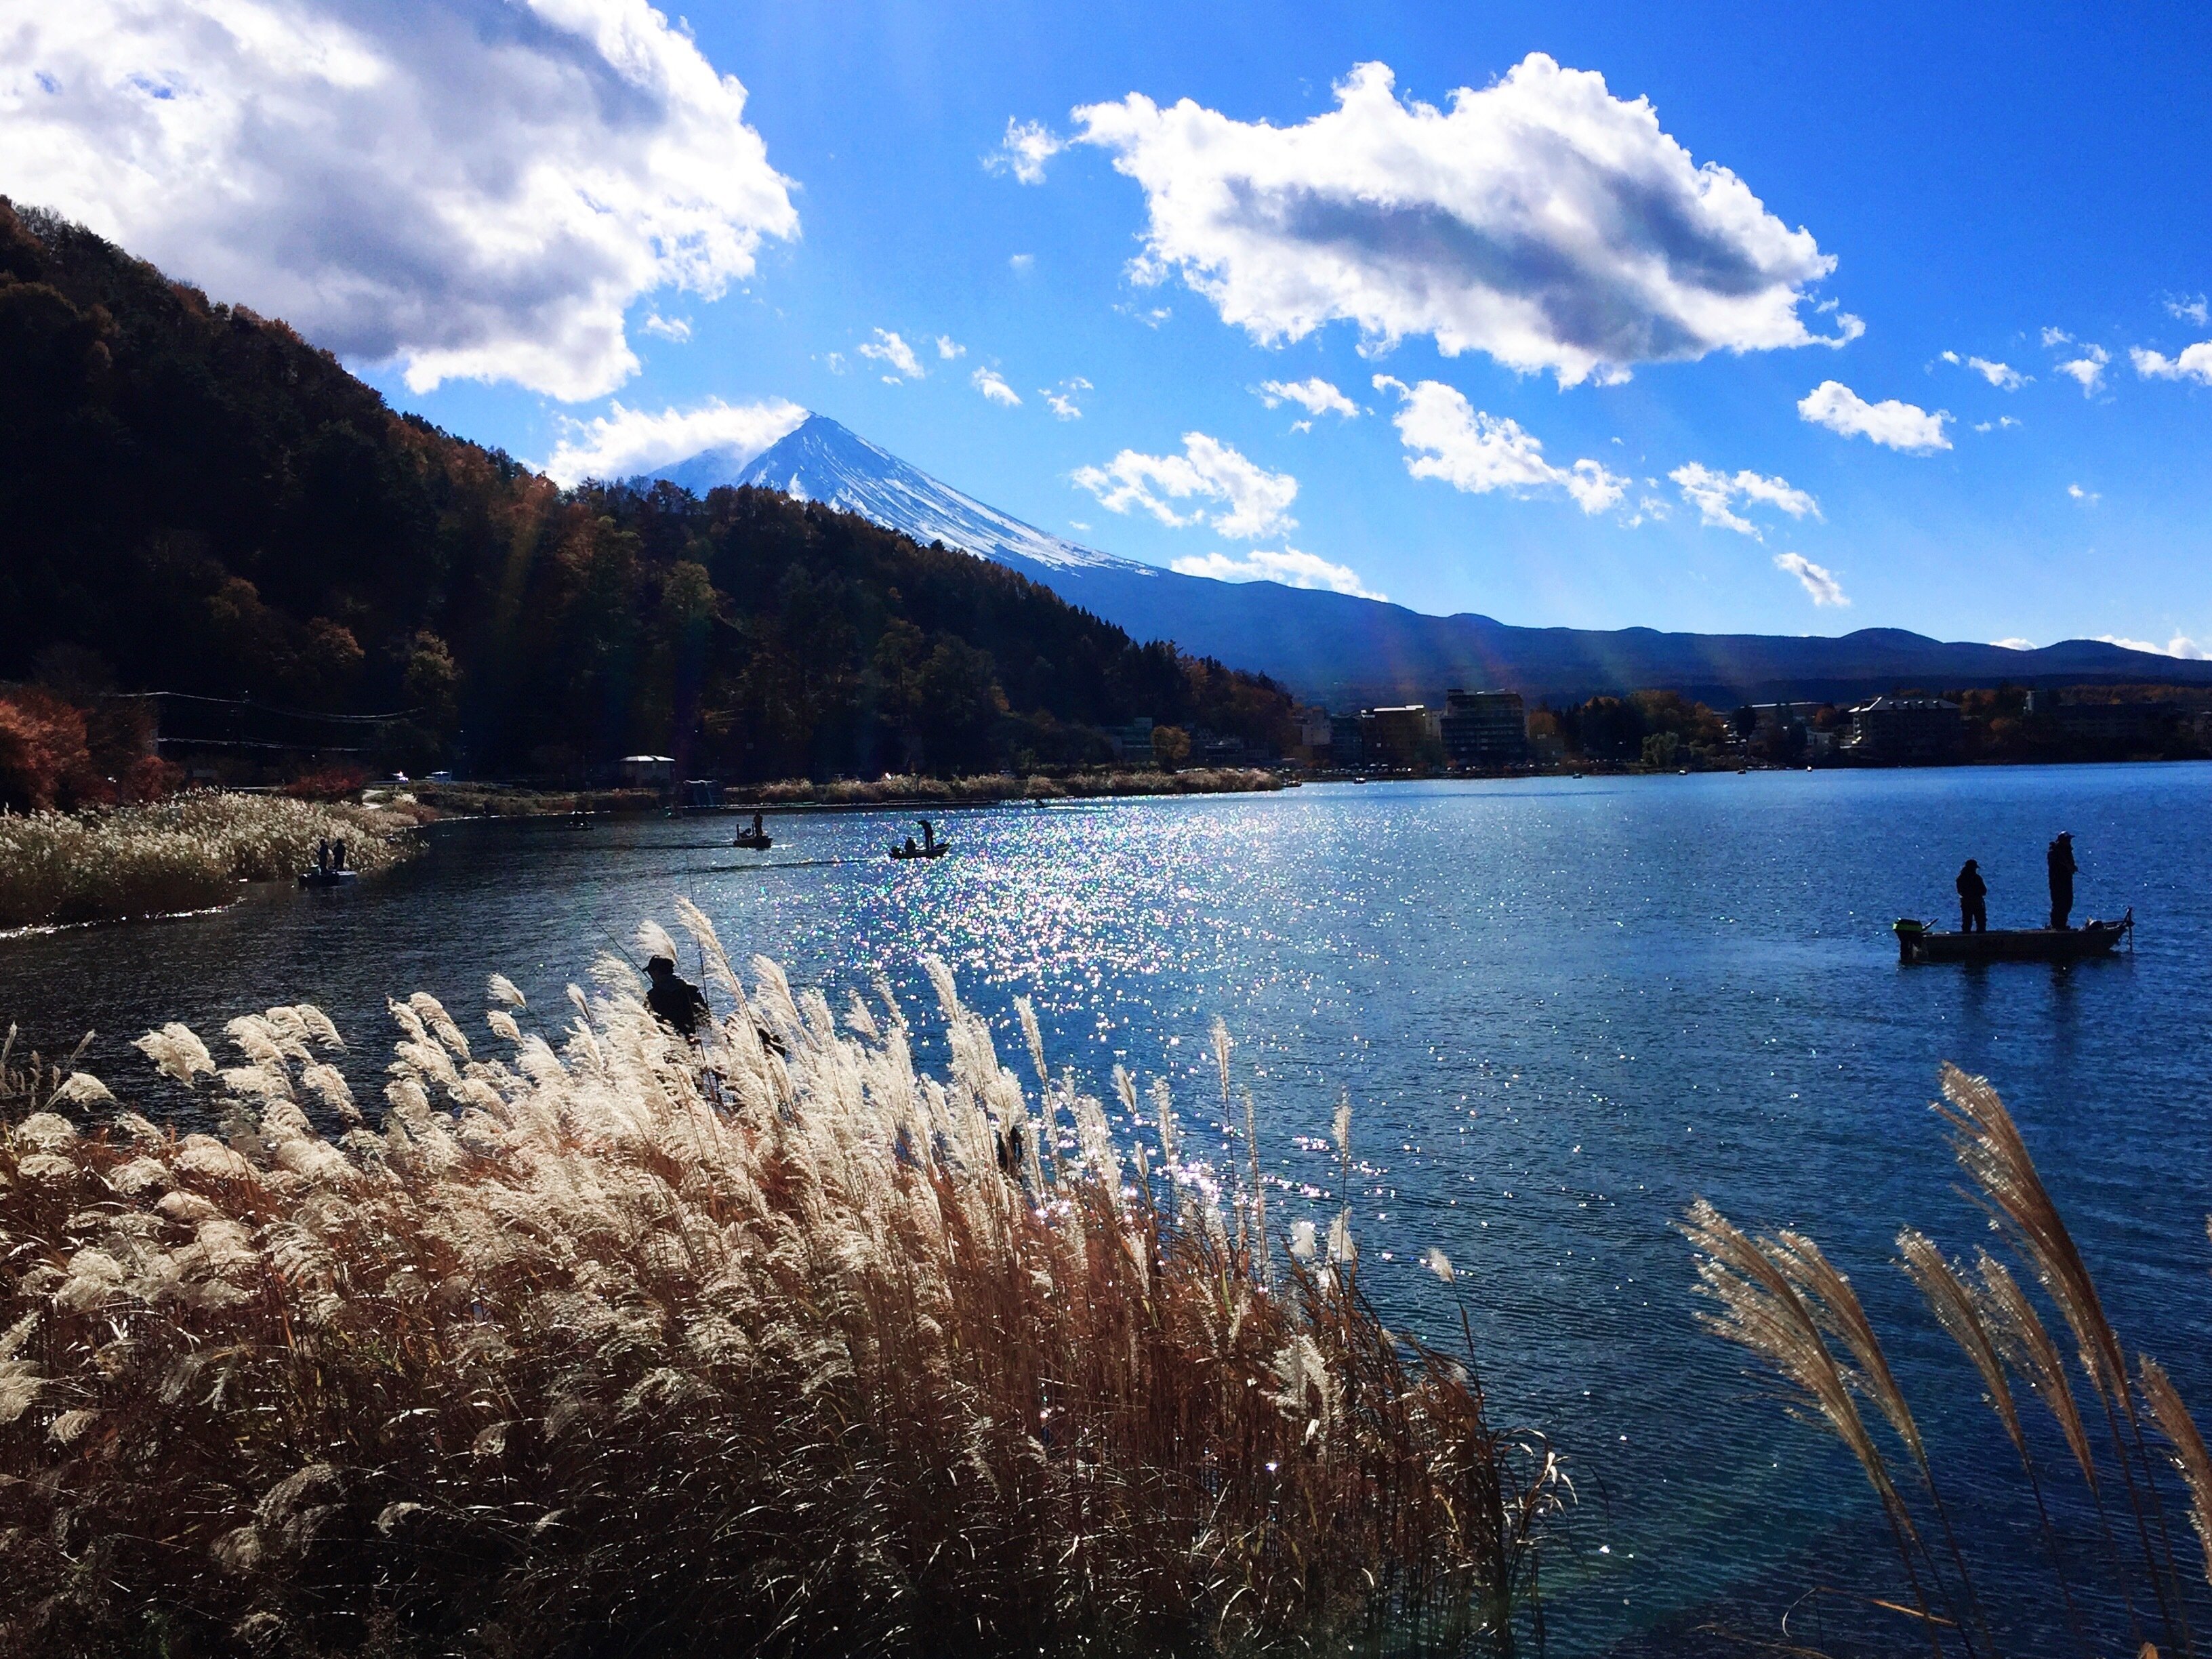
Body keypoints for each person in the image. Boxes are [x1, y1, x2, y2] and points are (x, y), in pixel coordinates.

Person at [644, 954, 710, 1041]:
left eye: (650, 972)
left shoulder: (653, 995)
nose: (650, 975)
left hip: (668, 1040)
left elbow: (646, 1022)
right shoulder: (691, 989)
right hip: (691, 1038)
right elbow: (705, 1015)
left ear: (656, 972)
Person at [2047, 832, 2077, 930]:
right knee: (2059, 903)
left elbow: (2071, 865)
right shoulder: (2054, 852)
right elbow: (2059, 863)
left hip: (2067, 882)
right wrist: (2069, 867)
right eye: (2067, 840)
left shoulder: (2068, 852)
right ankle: (2057, 926)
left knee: (2068, 903)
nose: (2069, 842)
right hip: (2057, 882)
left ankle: (2062, 924)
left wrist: (2073, 868)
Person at [1955, 859, 1988, 933]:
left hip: (1966, 902)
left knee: (1967, 921)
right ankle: (1981, 937)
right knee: (1980, 921)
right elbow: (1984, 891)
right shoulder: (1977, 878)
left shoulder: (1961, 878)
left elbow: (1960, 891)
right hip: (1977, 902)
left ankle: (1966, 937)